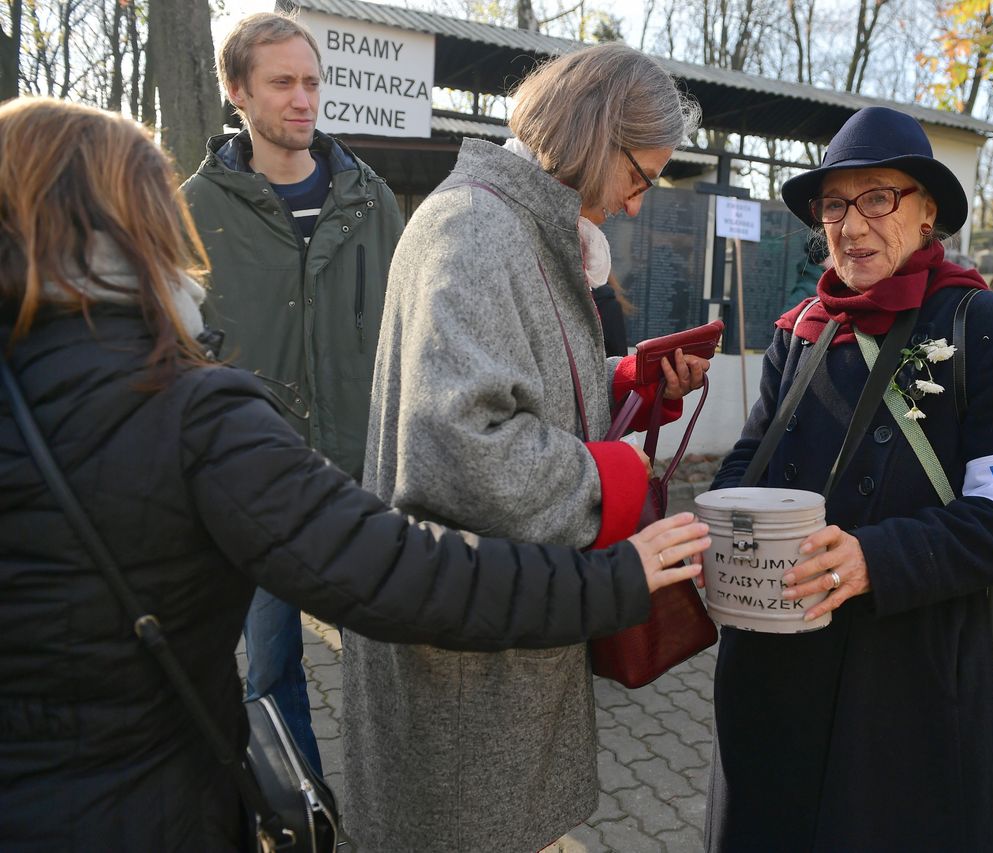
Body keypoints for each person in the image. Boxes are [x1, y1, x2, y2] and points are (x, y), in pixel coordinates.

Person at [0, 97, 712, 851]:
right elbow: (399, 574)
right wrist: (613, 579)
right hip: (138, 808)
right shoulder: (187, 414)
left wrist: (621, 381)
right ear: (140, 223)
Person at [341, 45, 707, 852]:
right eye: (641, 176)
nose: (638, 205)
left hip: (495, 629)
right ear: (597, 136)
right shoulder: (475, 228)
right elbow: (458, 440)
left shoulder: (511, 225)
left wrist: (626, 383)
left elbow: (513, 384)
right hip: (465, 658)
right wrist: (610, 475)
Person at [706, 106, 993, 851]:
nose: (851, 223)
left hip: (904, 675)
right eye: (834, 203)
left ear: (928, 211)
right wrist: (721, 527)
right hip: (777, 658)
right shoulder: (797, 329)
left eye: (878, 197)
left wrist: (876, 558)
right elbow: (751, 461)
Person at [181, 12, 404, 772]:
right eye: (283, 83)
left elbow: (413, 336)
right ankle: (304, 810)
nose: (303, 99)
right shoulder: (190, 214)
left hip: (366, 475)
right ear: (237, 90)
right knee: (268, 669)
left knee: (396, 661)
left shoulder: (374, 203)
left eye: (312, 81)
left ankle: (399, 807)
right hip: (254, 481)